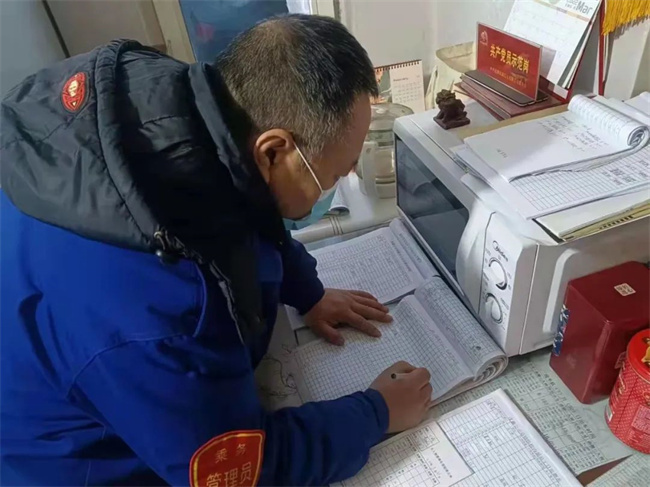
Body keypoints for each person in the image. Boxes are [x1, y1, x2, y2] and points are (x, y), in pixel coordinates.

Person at [0, 14, 432, 487]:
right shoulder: (165, 313)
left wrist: (307, 292)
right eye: (336, 172)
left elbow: (248, 206)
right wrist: (375, 413)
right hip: (75, 459)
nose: (344, 179)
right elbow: (238, 472)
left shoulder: (182, 103)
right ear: (274, 151)